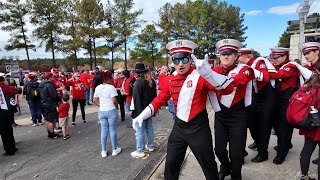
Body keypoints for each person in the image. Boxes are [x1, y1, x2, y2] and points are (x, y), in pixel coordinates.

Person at [132, 40, 234, 180]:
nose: (181, 64)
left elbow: (228, 89)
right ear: (172, 60)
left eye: (185, 59)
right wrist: (141, 116)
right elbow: (159, 100)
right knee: (170, 167)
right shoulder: (170, 79)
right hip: (179, 129)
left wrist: (209, 73)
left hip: (199, 128)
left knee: (209, 166)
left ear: (191, 59)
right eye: (176, 59)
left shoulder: (201, 76)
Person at [209, 39, 254, 180]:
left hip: (238, 114)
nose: (226, 56)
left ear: (236, 56)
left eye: (230, 53)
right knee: (219, 149)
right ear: (219, 56)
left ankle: (236, 175)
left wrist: (212, 79)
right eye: (223, 53)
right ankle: (225, 167)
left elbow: (237, 82)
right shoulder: (215, 70)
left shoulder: (245, 69)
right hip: (221, 114)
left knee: (236, 153)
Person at [238, 48, 277, 163]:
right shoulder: (245, 66)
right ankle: (257, 142)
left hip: (267, 98)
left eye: (238, 56)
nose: (237, 58)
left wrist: (249, 71)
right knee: (252, 124)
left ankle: (263, 153)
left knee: (264, 127)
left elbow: (265, 77)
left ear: (245, 56)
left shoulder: (259, 62)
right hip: (257, 97)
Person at [269, 47, 300, 164]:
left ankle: (281, 154)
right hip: (279, 99)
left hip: (287, 100)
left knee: (284, 127)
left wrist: (264, 69)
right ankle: (286, 143)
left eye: (276, 57)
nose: (273, 60)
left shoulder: (290, 66)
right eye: (272, 57)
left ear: (284, 57)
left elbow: (277, 75)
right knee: (276, 124)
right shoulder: (279, 66)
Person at [130, 63, 157, 158]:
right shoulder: (151, 81)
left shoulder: (138, 83)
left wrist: (135, 114)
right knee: (149, 128)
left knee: (140, 130)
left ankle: (140, 150)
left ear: (137, 73)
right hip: (150, 109)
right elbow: (155, 97)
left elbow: (136, 99)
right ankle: (150, 146)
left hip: (141, 110)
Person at [93, 71, 121, 158]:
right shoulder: (111, 87)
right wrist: (117, 107)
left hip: (102, 111)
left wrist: (100, 106)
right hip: (111, 109)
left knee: (104, 130)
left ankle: (103, 151)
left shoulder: (98, 87)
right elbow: (114, 100)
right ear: (109, 78)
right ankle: (114, 149)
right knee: (113, 129)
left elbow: (94, 100)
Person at [301, 42, 320, 165]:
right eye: (304, 53)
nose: (306, 55)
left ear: (317, 51)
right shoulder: (313, 67)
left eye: (308, 53)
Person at [39, 72, 60, 139]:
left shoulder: (41, 84)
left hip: (43, 104)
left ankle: (49, 132)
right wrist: (58, 97)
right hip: (50, 104)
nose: (53, 78)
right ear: (50, 77)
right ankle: (52, 134)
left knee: (47, 120)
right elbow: (54, 96)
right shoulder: (49, 85)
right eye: (52, 77)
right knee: (51, 120)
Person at [0, 76, 18, 156]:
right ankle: (13, 146)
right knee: (9, 130)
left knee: (3, 132)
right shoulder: (8, 88)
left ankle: (9, 149)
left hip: (1, 111)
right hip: (9, 110)